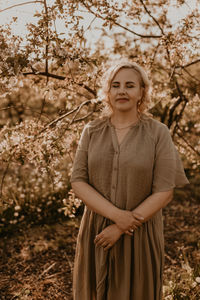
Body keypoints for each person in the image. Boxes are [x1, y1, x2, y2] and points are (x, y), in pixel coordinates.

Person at [70, 61, 189, 300]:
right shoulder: (91, 131)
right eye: (115, 85)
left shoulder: (158, 133)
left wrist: (124, 225)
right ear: (108, 92)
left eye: (130, 85)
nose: (122, 91)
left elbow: (164, 191)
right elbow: (78, 181)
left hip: (140, 234)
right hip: (97, 231)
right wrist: (117, 217)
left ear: (142, 92)